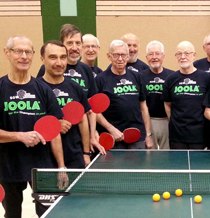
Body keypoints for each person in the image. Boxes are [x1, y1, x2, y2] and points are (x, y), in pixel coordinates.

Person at [0, 35, 66, 218]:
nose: (24, 56)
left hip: (41, 165)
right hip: (9, 165)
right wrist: (20, 136)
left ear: (33, 55)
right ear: (7, 53)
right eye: (18, 51)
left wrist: (61, 166)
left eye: (28, 52)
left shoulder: (43, 89)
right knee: (12, 213)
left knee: (48, 212)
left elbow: (54, 131)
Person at [37, 24, 102, 156]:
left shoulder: (86, 70)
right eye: (70, 43)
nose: (74, 47)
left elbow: (90, 109)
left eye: (78, 43)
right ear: (62, 45)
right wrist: (55, 124)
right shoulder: (47, 70)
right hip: (52, 141)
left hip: (77, 140)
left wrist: (92, 135)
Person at [38, 40, 93, 168]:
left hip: (74, 155)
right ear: (42, 59)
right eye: (53, 57)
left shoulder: (75, 87)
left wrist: (85, 153)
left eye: (63, 57)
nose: (59, 63)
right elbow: (31, 120)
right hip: (45, 157)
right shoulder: (36, 88)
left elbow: (83, 120)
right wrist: (54, 125)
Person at [95, 40, 153, 149]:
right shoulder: (100, 79)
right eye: (116, 55)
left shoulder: (137, 77)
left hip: (137, 136)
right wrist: (111, 129)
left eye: (123, 55)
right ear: (109, 56)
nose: (120, 59)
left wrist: (148, 134)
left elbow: (143, 107)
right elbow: (95, 111)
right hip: (112, 137)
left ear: (128, 57)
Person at [162, 41, 210, 149]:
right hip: (177, 136)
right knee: (178, 165)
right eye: (179, 54)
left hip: (200, 135)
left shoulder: (206, 78)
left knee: (198, 165)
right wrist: (174, 121)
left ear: (194, 55)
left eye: (187, 53)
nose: (183, 57)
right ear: (176, 56)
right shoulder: (170, 79)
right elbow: (167, 104)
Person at [140, 40, 173, 150]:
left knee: (167, 155)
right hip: (148, 121)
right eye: (151, 54)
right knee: (150, 156)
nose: (154, 57)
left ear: (163, 57)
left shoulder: (172, 76)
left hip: (167, 121)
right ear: (146, 57)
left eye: (157, 54)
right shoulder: (139, 77)